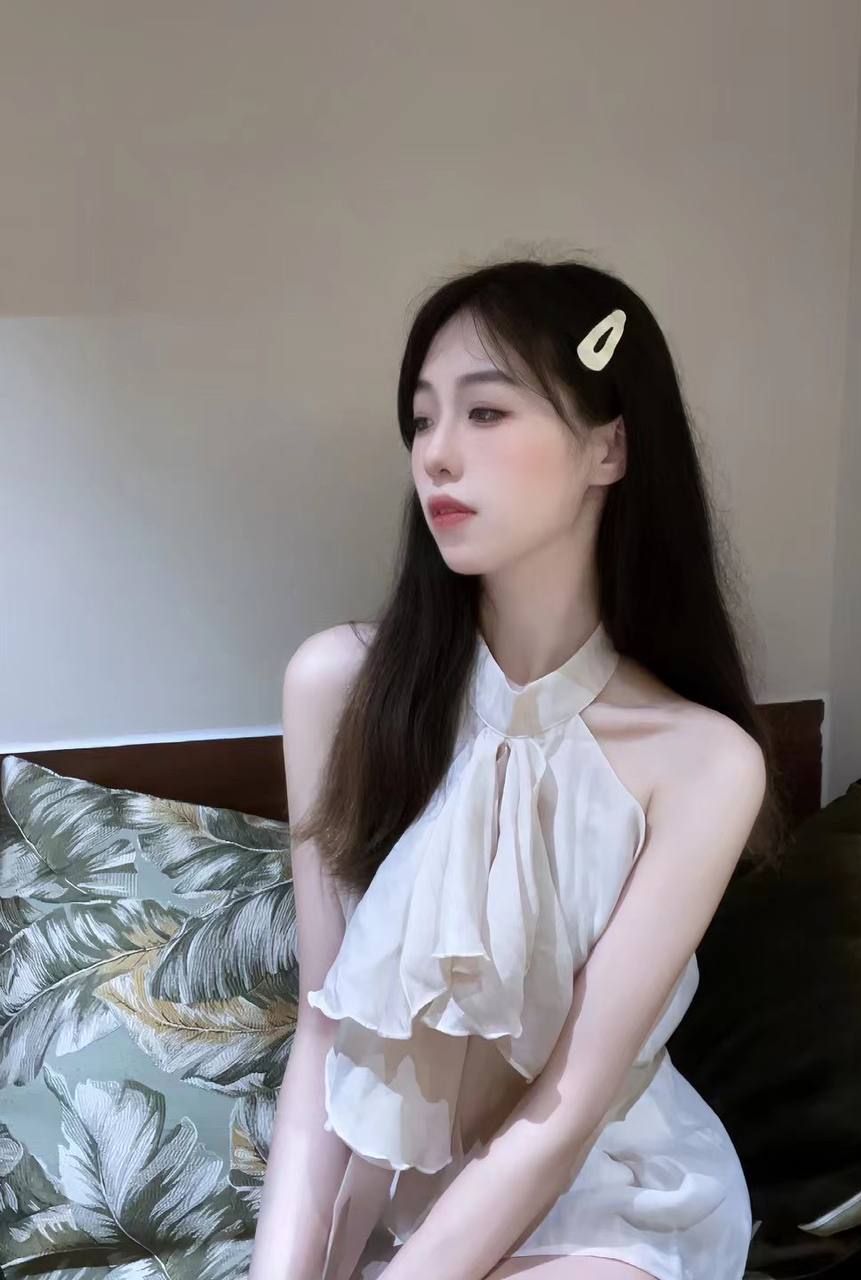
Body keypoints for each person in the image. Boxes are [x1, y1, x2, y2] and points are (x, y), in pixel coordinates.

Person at [249, 255, 789, 1280]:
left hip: (611, 1197)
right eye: (422, 419)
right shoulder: (337, 686)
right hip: (397, 1192)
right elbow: (323, 1036)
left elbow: (569, 1107)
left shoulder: (705, 762)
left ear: (608, 447)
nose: (437, 455)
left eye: (486, 412)